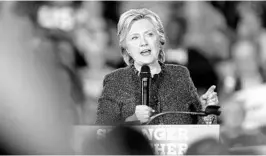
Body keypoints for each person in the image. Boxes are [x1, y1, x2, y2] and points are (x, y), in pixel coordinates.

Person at [95, 8, 219, 125]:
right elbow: (102, 133)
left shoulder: (180, 75)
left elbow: (199, 130)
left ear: (160, 40)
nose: (143, 43)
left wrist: (207, 112)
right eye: (135, 37)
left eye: (149, 34)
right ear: (126, 48)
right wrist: (132, 120)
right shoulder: (115, 81)